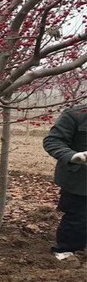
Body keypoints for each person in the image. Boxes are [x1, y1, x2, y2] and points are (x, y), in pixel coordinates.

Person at [42, 104, 87, 260]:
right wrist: (74, 156)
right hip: (80, 179)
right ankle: (66, 252)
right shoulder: (75, 115)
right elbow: (53, 141)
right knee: (78, 217)